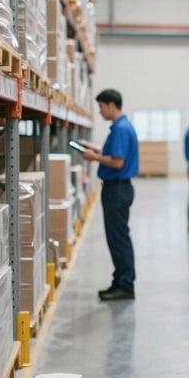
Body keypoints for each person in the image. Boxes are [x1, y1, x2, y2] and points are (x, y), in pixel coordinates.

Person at [82, 89, 140, 301]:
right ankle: (120, 280)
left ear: (111, 105)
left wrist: (94, 158)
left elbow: (117, 162)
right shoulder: (121, 127)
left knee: (118, 238)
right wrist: (96, 150)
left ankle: (125, 284)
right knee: (117, 237)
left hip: (117, 189)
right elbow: (115, 155)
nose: (100, 112)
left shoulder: (121, 129)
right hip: (118, 187)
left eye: (101, 107)